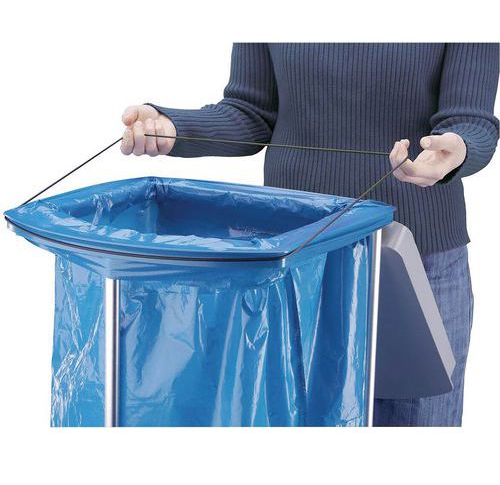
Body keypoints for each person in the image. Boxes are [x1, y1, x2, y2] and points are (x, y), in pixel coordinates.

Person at [120, 43, 499, 426]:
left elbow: (471, 121)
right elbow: (252, 111)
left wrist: (459, 147)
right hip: (298, 263)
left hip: (415, 262)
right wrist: (173, 128)